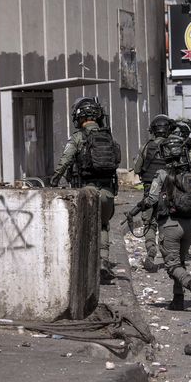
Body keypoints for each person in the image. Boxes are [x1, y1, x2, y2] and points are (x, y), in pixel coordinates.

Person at [126, 134, 191, 311]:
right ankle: (177, 300)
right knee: (180, 262)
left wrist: (135, 211)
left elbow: (151, 199)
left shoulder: (162, 174)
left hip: (170, 225)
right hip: (190, 226)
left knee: (171, 265)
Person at [50, 97, 121, 283]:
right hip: (107, 191)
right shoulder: (108, 137)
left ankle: (84, 267)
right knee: (103, 225)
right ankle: (103, 262)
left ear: (79, 118)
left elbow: (65, 161)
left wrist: (54, 180)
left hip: (86, 192)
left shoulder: (77, 137)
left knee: (85, 229)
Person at [133, 114, 177, 272]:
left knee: (149, 223)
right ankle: (170, 258)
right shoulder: (175, 146)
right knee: (166, 223)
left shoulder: (146, 146)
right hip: (169, 192)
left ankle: (151, 252)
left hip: (149, 192)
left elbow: (137, 169)